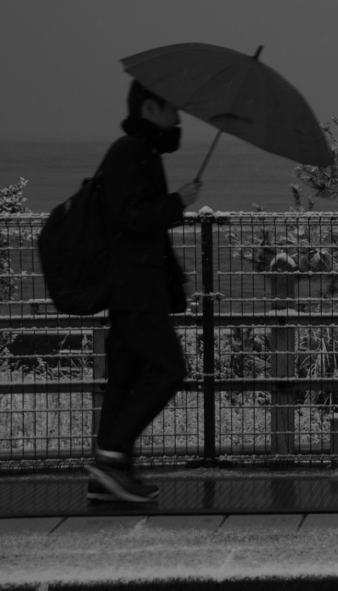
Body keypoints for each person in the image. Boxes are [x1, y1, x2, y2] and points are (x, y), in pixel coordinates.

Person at [85, 80, 202, 502]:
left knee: (127, 376)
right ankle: (111, 458)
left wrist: (173, 272)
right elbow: (127, 218)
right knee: (168, 369)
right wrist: (178, 202)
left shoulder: (140, 151)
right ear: (151, 108)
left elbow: (139, 225)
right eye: (173, 110)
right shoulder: (129, 151)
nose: (179, 119)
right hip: (133, 289)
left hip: (137, 286)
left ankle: (109, 479)